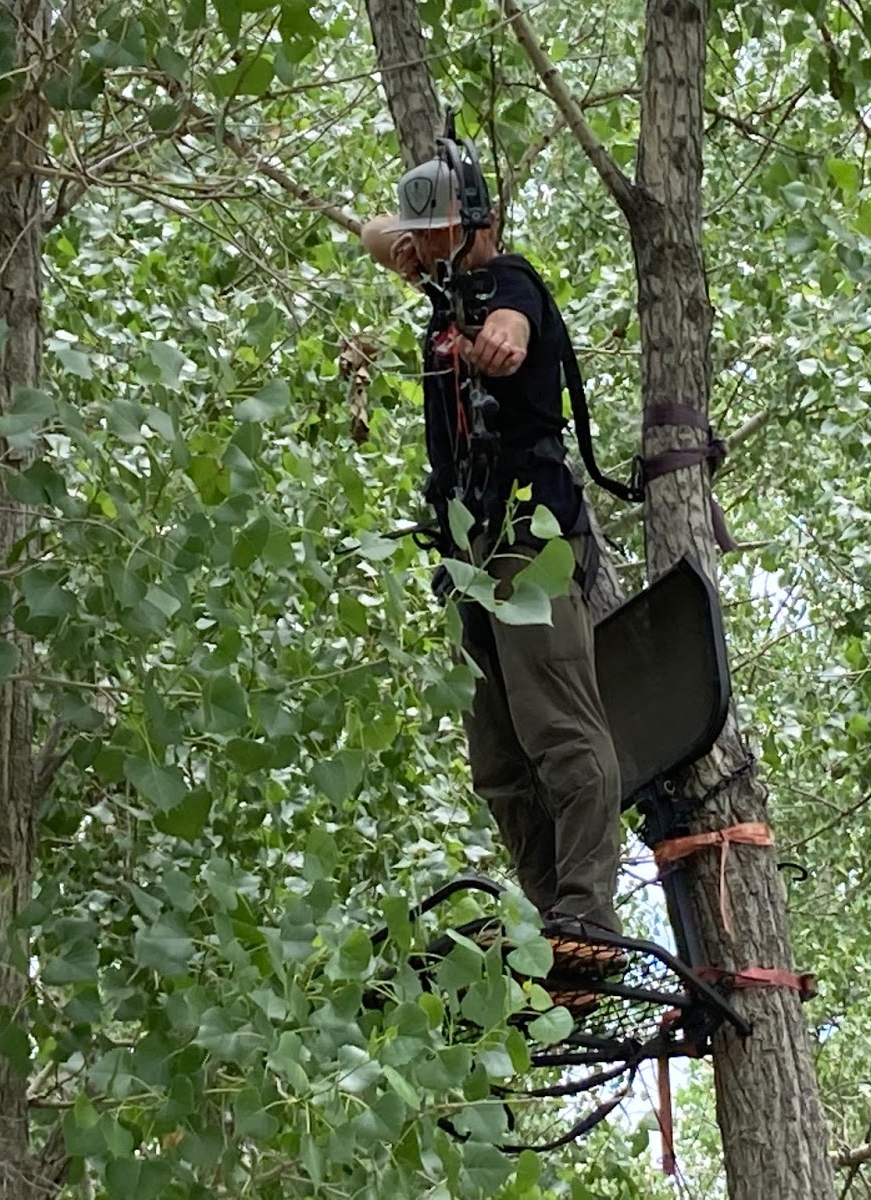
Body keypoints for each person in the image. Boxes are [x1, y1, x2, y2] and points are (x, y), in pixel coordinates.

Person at [361, 150, 625, 967]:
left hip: (529, 536)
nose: (421, 248)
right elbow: (373, 232)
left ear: (476, 226)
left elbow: (512, 330)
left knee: (559, 730)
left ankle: (588, 917)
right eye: (420, 238)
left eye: (436, 232)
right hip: (469, 549)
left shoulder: (510, 283)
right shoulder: (444, 289)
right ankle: (554, 926)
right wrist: (405, 246)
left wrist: (497, 346)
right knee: (498, 756)